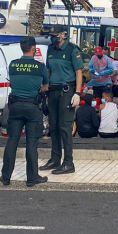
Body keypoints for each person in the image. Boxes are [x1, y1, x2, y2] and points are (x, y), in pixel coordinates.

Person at [1, 36, 50, 187]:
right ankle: (32, 177)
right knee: (31, 143)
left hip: (15, 107)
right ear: (34, 48)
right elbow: (46, 87)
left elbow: (12, 82)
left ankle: (6, 177)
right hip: (32, 107)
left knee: (12, 141)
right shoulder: (40, 67)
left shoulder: (13, 64)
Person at [41, 25, 84, 174]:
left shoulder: (72, 50)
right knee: (53, 126)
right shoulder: (50, 49)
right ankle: (55, 159)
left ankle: (68, 162)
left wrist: (78, 93)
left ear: (63, 34)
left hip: (67, 91)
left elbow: (79, 72)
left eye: (55, 35)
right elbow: (48, 69)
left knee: (65, 127)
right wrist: (45, 85)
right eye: (51, 35)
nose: (53, 37)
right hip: (53, 91)